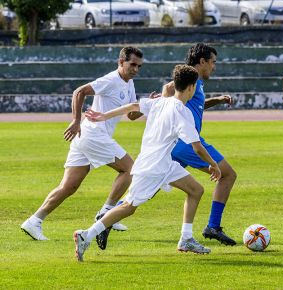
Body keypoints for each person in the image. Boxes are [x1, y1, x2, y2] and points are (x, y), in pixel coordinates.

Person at [73, 64, 221, 262]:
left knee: (196, 190)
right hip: (153, 168)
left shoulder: (161, 102)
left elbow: (133, 107)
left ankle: (186, 239)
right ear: (192, 88)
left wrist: (103, 116)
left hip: (164, 164)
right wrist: (214, 164)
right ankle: (87, 235)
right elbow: (197, 147)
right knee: (128, 206)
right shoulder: (182, 112)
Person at [21, 46, 145, 241]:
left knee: (68, 186)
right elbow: (80, 92)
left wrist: (147, 105)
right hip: (93, 134)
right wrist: (76, 120)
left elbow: (130, 115)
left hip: (88, 137)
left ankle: (34, 221)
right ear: (121, 62)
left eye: (139, 66)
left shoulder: (129, 83)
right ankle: (107, 212)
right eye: (132, 65)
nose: (136, 69)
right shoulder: (111, 79)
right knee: (130, 169)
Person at [163, 43, 237, 246]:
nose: (214, 67)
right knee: (228, 174)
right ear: (202, 61)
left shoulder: (196, 83)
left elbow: (195, 104)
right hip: (189, 142)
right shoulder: (191, 77)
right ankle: (213, 226)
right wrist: (162, 102)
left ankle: (108, 216)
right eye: (213, 62)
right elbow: (169, 89)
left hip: (178, 144)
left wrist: (218, 100)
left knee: (149, 184)